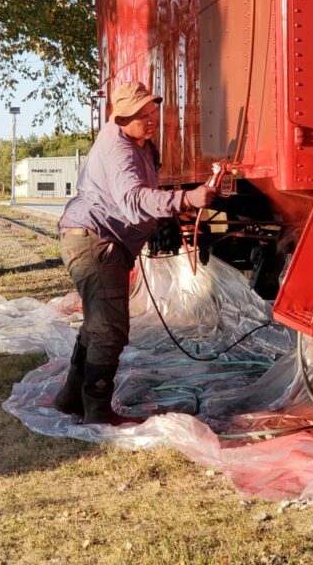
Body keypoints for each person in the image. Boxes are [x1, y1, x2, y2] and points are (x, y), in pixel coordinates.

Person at [55, 80, 216, 426]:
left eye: (152, 110)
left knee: (98, 324)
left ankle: (70, 397)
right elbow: (132, 201)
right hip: (96, 241)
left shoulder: (137, 142)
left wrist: (174, 208)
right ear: (122, 117)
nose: (151, 117)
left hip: (95, 238)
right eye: (142, 114)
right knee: (109, 329)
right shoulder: (120, 150)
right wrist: (185, 199)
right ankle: (96, 411)